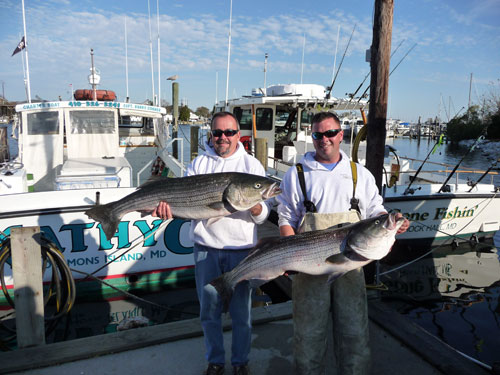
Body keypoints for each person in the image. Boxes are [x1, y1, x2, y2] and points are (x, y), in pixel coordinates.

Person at [277, 111, 409, 375]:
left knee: (354, 331)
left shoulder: (359, 174)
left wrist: (395, 224)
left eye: (329, 133)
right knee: (308, 333)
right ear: (311, 137)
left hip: (351, 265)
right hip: (309, 265)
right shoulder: (296, 173)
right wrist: (289, 256)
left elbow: (376, 212)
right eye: (317, 134)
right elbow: (286, 216)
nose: (323, 139)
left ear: (340, 135)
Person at [152, 112, 272, 375]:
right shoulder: (198, 164)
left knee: (242, 313)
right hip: (206, 250)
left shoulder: (252, 167)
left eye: (229, 132)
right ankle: (215, 361)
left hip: (241, 252)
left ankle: (241, 363)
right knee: (209, 311)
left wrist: (254, 208)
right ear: (211, 135)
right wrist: (166, 209)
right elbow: (185, 205)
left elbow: (265, 215)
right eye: (218, 133)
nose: (223, 138)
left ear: (238, 135)